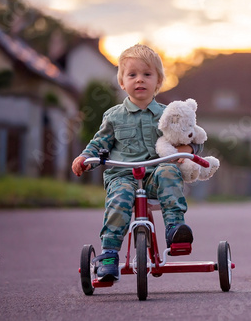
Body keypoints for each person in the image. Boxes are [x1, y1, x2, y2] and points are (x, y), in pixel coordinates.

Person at [71, 44, 201, 282]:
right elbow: (99, 143)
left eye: (147, 74)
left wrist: (188, 149)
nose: (139, 80)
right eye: (132, 75)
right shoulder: (113, 116)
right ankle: (109, 254)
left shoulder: (169, 114)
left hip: (154, 177)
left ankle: (175, 230)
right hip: (123, 176)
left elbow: (191, 136)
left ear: (158, 81)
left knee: (169, 170)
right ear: (122, 82)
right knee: (119, 200)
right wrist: (84, 159)